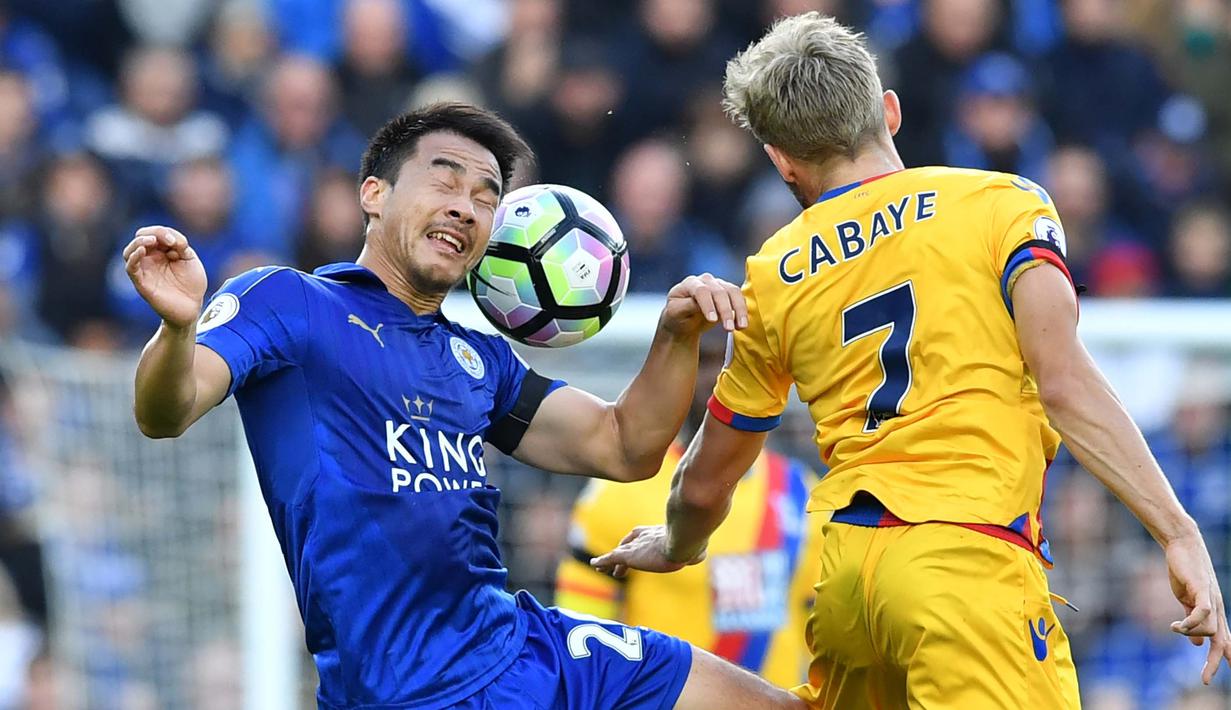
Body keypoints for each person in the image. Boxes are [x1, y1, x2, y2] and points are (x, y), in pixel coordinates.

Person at [593, 13, 1231, 709]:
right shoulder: (1000, 205)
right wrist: (1177, 530)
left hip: (847, 582)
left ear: (780, 159)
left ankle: (657, 680)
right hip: (966, 564)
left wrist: (678, 544)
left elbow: (708, 481)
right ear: (887, 112)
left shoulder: (772, 272)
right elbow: (1064, 382)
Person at [123, 102, 803, 709]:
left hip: (520, 646)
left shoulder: (478, 359)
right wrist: (177, 328)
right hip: (404, 689)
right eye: (443, 181)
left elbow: (623, 446)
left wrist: (674, 335)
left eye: (485, 196)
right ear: (374, 194)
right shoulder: (291, 304)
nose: (465, 206)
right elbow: (166, 411)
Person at [556, 331, 825, 688]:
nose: (717, 378)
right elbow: (581, 634)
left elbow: (821, 629)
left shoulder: (800, 490)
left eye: (732, 362)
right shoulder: (618, 491)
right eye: (705, 361)